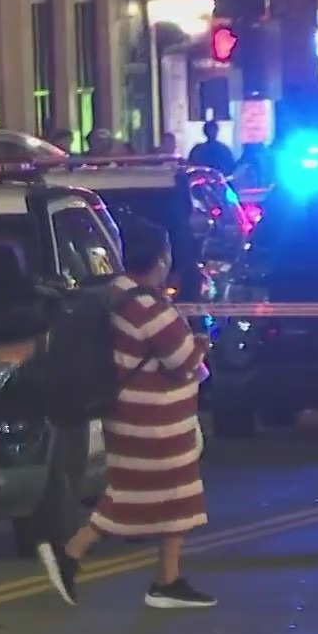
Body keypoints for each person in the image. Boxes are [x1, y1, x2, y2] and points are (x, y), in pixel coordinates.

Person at [38, 217, 214, 610]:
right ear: (160, 260)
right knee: (139, 494)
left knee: (171, 496)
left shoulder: (116, 294)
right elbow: (181, 359)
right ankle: (70, 551)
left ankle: (167, 581)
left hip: (135, 414)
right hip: (153, 420)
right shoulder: (148, 305)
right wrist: (200, 346)